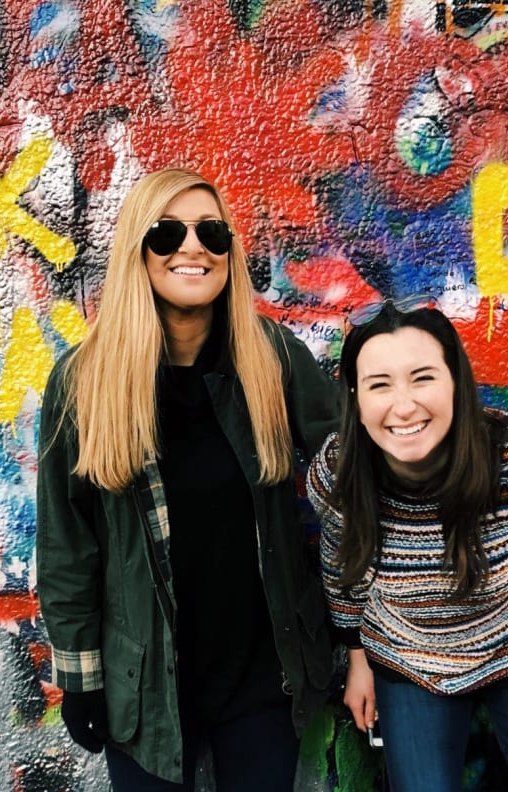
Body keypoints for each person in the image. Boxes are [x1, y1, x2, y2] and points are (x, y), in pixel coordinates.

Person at [36, 168, 340, 790]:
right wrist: (80, 679)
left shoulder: (273, 358)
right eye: (167, 232)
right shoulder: (83, 381)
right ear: (136, 253)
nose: (192, 247)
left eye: (211, 232)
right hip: (142, 686)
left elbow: (358, 464)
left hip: (263, 680)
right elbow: (67, 546)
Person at [308, 301, 508, 792]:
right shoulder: (336, 475)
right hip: (410, 659)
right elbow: (339, 566)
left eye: (422, 378)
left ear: (456, 380)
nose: (404, 404)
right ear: (355, 396)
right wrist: (357, 658)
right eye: (379, 385)